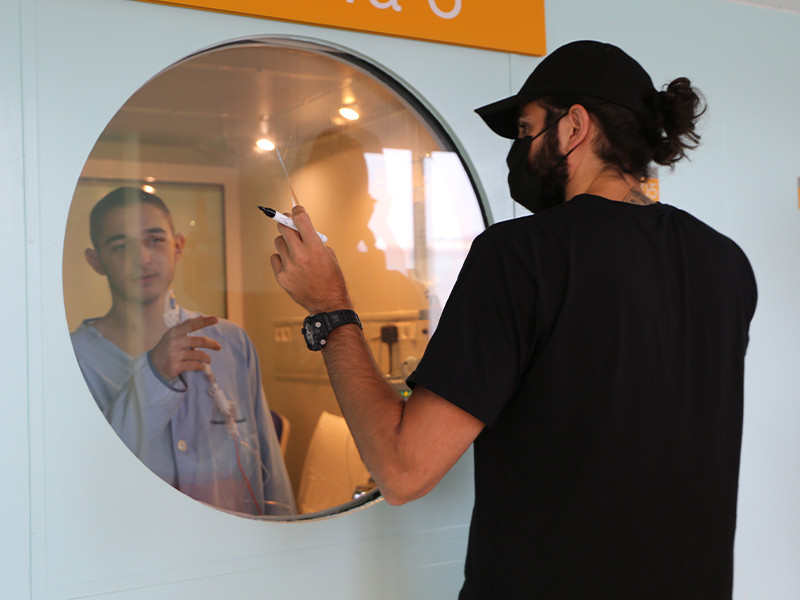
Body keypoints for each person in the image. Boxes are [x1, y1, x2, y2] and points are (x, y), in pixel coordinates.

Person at [269, 40, 757, 598]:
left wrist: (329, 307)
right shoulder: (725, 263)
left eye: (526, 130)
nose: (519, 151)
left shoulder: (520, 255)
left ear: (574, 127)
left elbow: (403, 470)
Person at [71, 186, 296, 517]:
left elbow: (269, 471)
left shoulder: (229, 343)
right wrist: (153, 377)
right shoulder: (76, 360)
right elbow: (84, 481)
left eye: (155, 240)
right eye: (120, 246)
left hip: (233, 553)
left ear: (178, 246)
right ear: (96, 261)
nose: (143, 258)